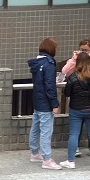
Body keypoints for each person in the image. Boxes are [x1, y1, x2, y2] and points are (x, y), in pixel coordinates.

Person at [27, 37, 62, 170]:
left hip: (37, 100)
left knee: (35, 127)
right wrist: (54, 104)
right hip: (46, 103)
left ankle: (35, 152)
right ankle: (47, 159)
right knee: (46, 131)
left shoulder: (37, 63)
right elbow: (50, 86)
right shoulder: (49, 64)